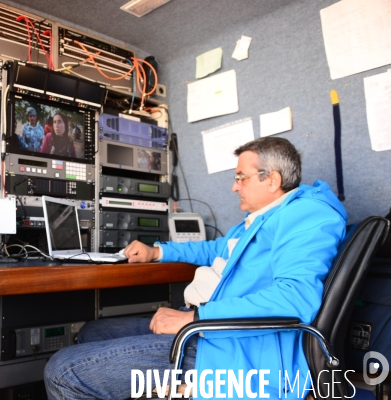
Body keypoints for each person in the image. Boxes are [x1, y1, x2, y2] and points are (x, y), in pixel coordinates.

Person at [44, 137, 347, 399]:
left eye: (241, 177)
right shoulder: (265, 217)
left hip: (234, 350)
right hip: (210, 330)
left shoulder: (308, 215)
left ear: (272, 180)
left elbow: (294, 300)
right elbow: (216, 249)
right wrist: (157, 251)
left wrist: (194, 318)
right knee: (93, 331)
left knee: (62, 370)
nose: (233, 187)